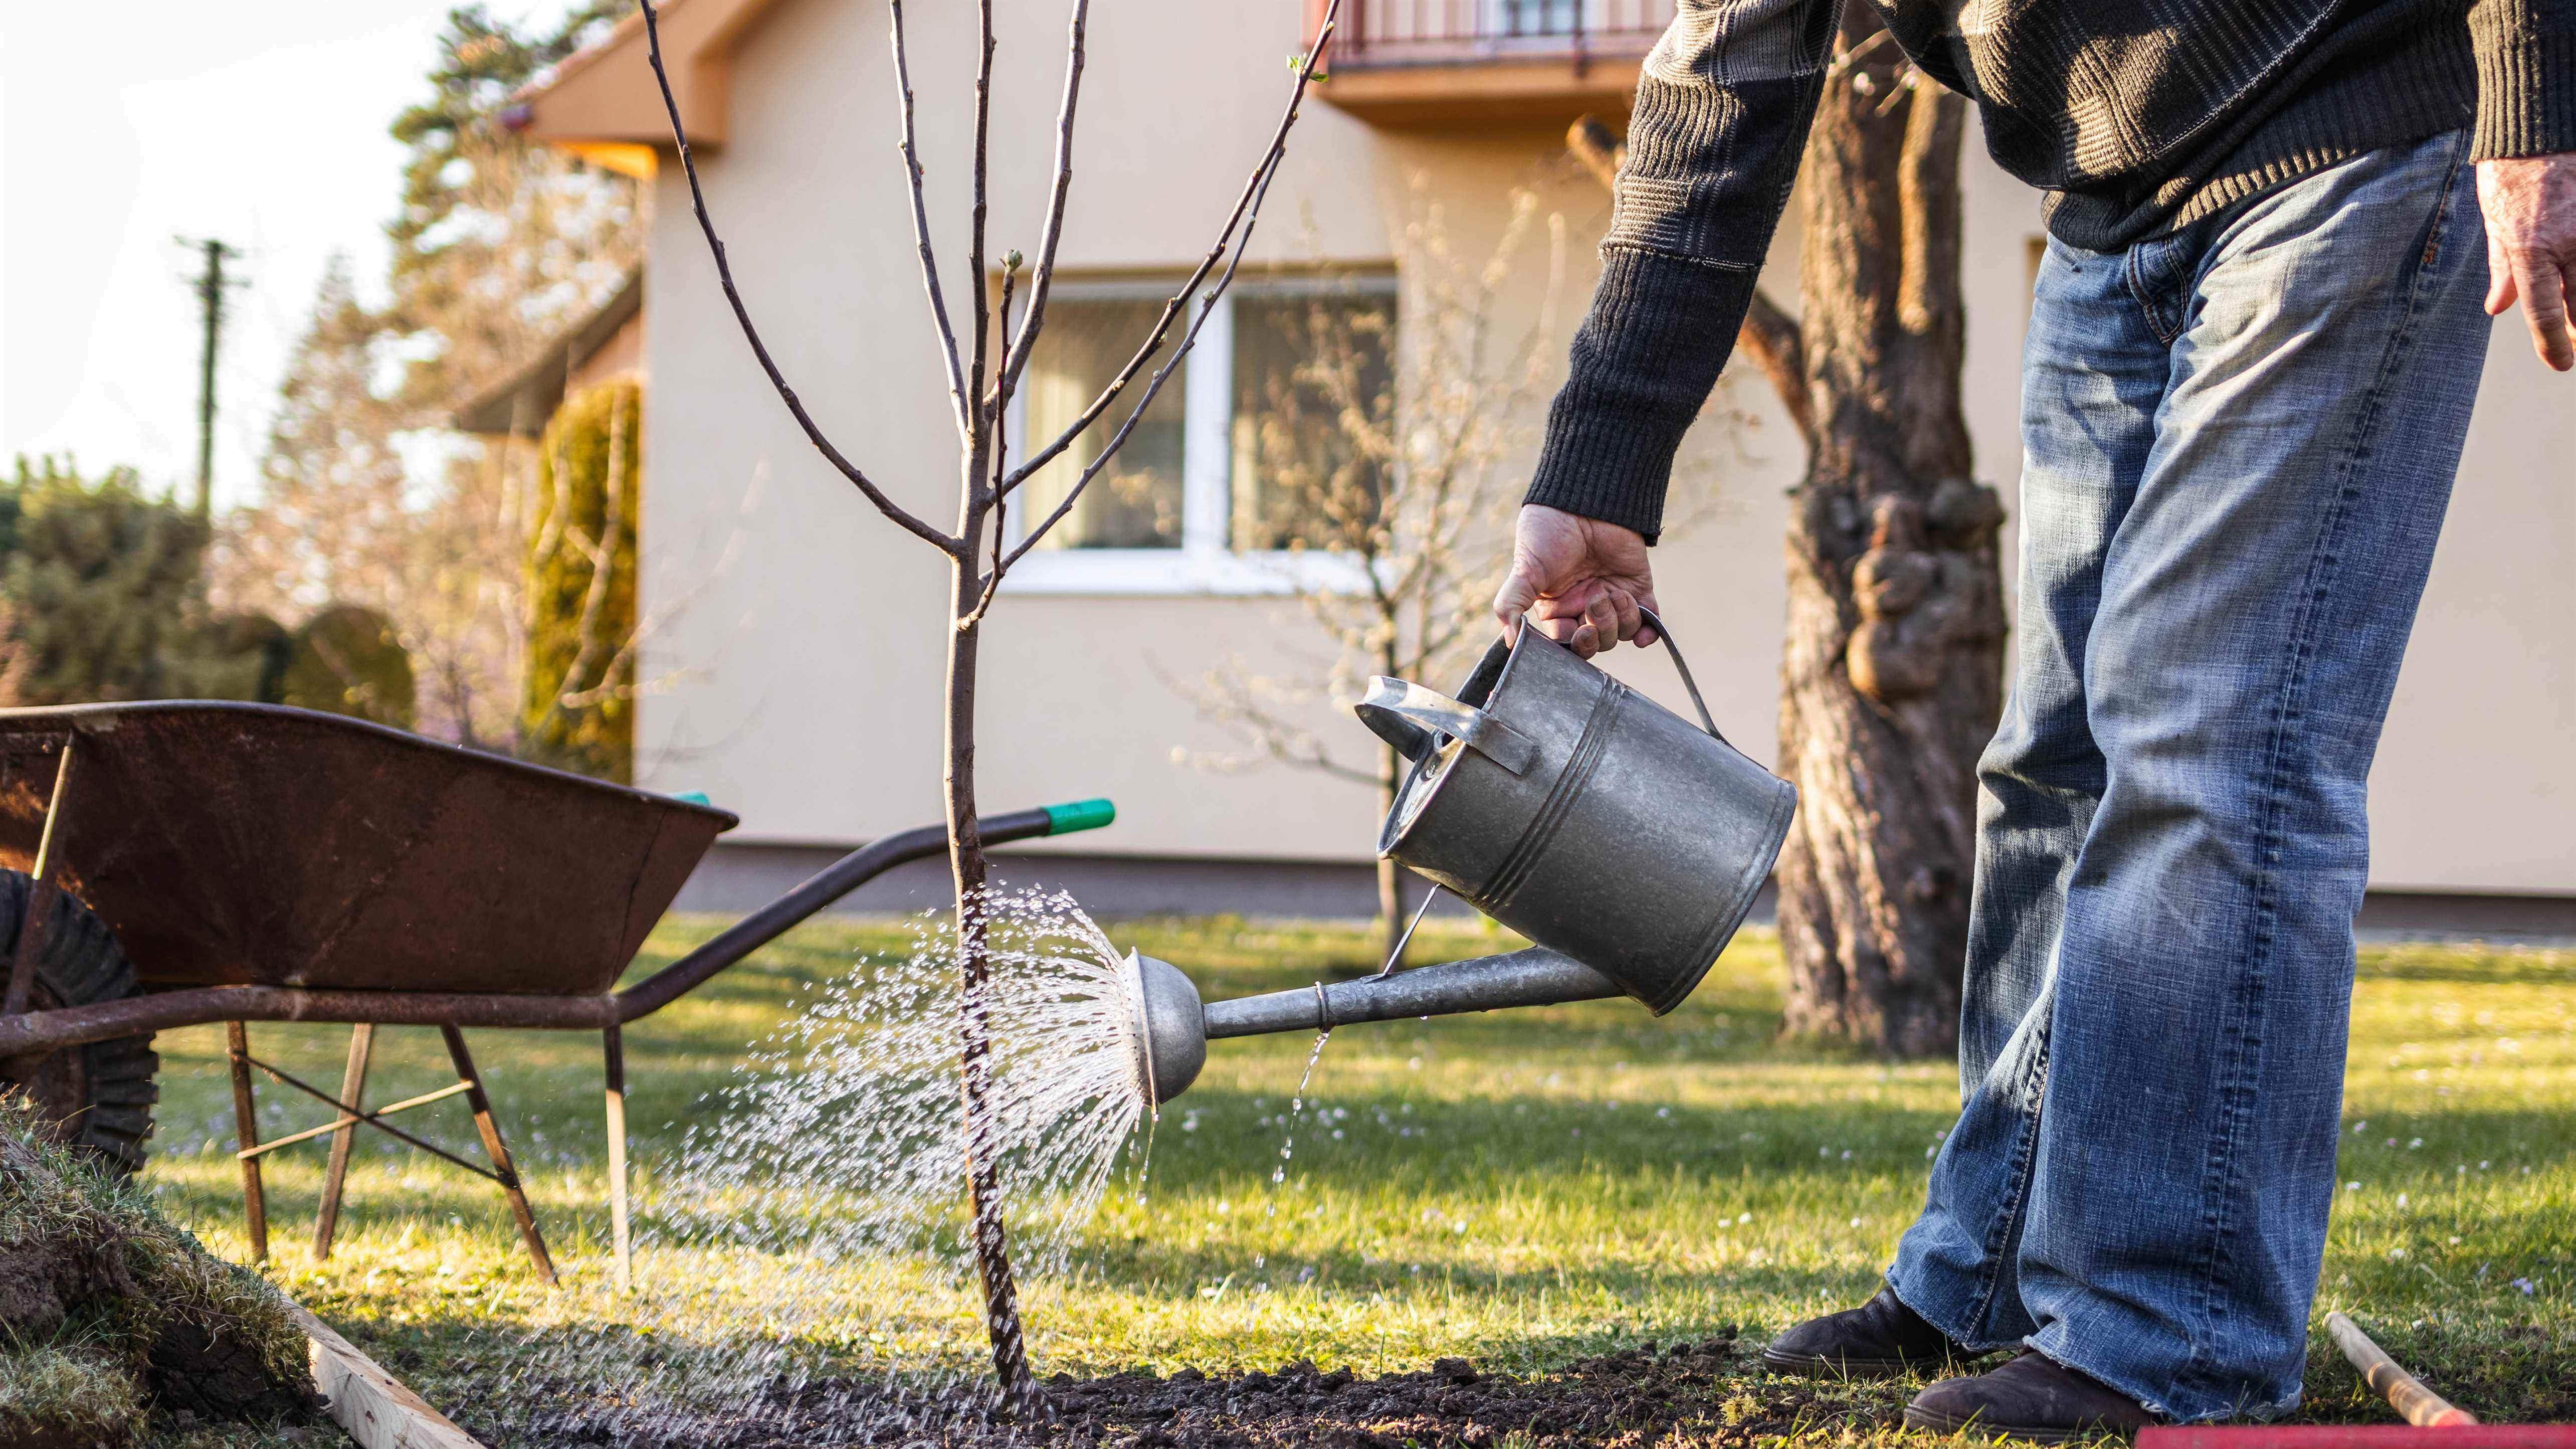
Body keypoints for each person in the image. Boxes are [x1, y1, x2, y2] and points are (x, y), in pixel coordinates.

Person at [1492, 0, 2574, 1435]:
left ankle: (2170, 1333)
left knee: (2208, 742)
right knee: (2051, 768)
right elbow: (1718, 90)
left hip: (2353, 126)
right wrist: (1599, 472)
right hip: (2108, 205)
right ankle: (1989, 1269)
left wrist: (2533, 97)